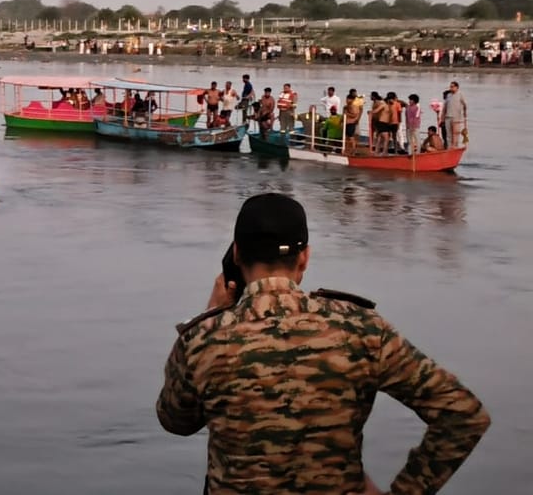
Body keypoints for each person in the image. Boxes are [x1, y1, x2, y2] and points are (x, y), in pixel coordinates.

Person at [156, 193, 490, 495]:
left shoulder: (202, 338)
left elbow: (176, 421)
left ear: (237, 254)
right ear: (304, 257)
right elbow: (463, 414)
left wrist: (211, 314)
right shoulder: (362, 329)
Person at [443, 80, 467, 148]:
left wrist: (464, 113)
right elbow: (445, 107)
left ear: (457, 87)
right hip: (448, 116)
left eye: (452, 87)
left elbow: (464, 104)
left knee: (455, 133)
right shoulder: (448, 95)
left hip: (456, 117)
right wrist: (442, 117)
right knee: (448, 134)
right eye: (450, 87)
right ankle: (449, 147)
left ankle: (455, 146)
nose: (451, 88)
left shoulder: (460, 94)